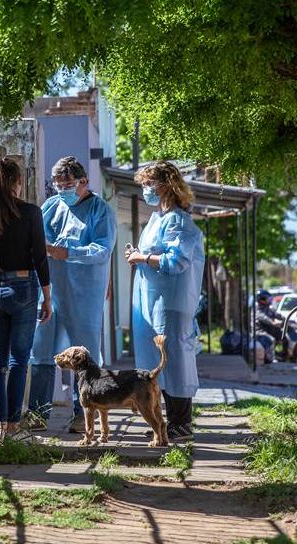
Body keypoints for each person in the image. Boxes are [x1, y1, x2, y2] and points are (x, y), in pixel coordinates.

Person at [28, 156, 117, 432]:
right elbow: (36, 241)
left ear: (84, 181)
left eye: (68, 184)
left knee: (85, 356)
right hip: (52, 291)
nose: (63, 189)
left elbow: (102, 249)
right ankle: (38, 413)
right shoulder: (52, 206)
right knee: (42, 352)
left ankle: (85, 414)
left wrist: (68, 253)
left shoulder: (100, 210)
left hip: (84, 293)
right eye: (58, 184)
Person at [0, 157, 52, 442]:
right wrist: (48, 297)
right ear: (18, 182)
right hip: (24, 287)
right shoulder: (31, 212)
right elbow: (40, 256)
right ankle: (14, 428)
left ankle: (0, 427)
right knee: (19, 360)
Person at [125, 161, 205, 442]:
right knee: (156, 361)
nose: (145, 190)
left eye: (149, 184)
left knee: (173, 360)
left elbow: (177, 261)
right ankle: (161, 422)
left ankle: (181, 423)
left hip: (171, 302)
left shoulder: (178, 220)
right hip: (153, 301)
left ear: (165, 186)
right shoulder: (158, 218)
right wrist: (139, 253)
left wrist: (141, 258)